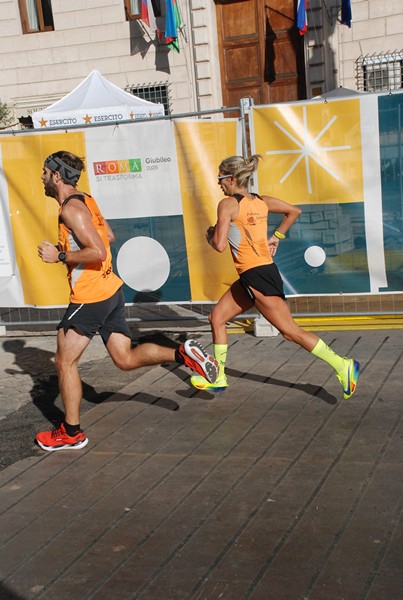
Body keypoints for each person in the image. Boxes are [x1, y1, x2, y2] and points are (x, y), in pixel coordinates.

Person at [36, 150, 218, 451]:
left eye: (44, 172)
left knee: (63, 362)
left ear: (57, 175)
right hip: (110, 290)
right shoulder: (86, 201)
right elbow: (107, 235)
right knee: (124, 359)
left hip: (91, 296)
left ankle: (71, 432)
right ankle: (182, 355)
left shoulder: (70, 210)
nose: (41, 177)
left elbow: (99, 251)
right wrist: (69, 245)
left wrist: (60, 256)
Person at [190, 154, 360, 399]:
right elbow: (294, 211)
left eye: (220, 178)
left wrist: (211, 235)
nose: (218, 183)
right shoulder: (261, 201)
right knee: (217, 318)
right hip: (254, 275)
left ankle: (343, 365)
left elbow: (218, 245)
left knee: (290, 332)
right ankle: (218, 376)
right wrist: (276, 237)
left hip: (257, 276)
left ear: (233, 178)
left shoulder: (226, 205)